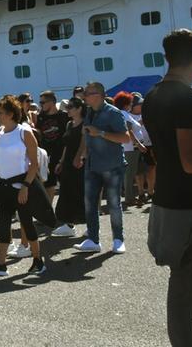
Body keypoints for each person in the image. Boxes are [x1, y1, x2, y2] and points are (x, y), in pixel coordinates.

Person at [142, 29, 192, 347]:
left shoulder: (152, 97)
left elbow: (159, 152)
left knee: (182, 291)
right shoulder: (188, 99)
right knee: (184, 290)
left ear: (166, 57)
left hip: (168, 204)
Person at [0, 95, 56, 276]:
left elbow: (34, 164)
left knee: (27, 223)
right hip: (2, 185)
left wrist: (25, 186)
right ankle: (0, 264)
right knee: (3, 224)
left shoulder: (24, 132)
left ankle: (38, 260)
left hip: (21, 185)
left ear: (12, 114)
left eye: (0, 113)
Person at [74, 82, 129, 254]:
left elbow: (126, 138)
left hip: (112, 165)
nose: (84, 97)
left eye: (87, 94)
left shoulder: (113, 113)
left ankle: (118, 239)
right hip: (92, 165)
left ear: (98, 95)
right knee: (90, 203)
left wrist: (102, 133)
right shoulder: (90, 112)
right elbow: (87, 134)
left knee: (113, 204)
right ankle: (93, 239)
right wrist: (80, 154)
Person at [51, 98, 86, 238]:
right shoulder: (69, 124)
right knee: (66, 193)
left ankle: (91, 226)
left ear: (79, 109)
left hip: (79, 164)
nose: (67, 109)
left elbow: (85, 143)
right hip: (68, 164)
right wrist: (61, 161)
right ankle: (69, 224)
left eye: (71, 107)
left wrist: (79, 158)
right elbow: (66, 145)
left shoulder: (85, 124)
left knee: (80, 194)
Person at [113, 91, 146, 208]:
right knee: (129, 174)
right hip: (131, 147)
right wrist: (139, 144)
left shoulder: (122, 114)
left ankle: (130, 197)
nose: (132, 105)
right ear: (125, 104)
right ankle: (129, 198)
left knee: (130, 173)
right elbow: (129, 130)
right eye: (130, 103)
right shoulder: (124, 114)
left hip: (130, 147)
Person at [36, 91, 68, 203]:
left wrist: (64, 158)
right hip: (46, 157)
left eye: (43, 102)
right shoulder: (40, 117)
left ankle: (63, 213)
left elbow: (68, 139)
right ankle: (48, 213)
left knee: (65, 185)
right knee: (48, 185)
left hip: (61, 156)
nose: (41, 105)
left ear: (52, 102)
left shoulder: (64, 116)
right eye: (40, 103)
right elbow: (38, 134)